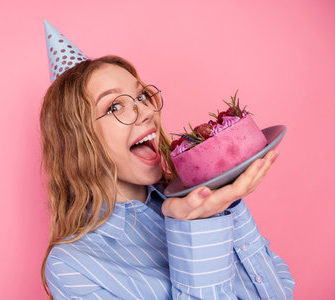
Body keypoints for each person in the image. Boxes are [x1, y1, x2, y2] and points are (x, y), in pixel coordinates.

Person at [40, 21, 294, 299]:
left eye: (141, 95)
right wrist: (198, 226)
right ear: (77, 140)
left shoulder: (200, 194)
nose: (147, 111)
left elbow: (279, 290)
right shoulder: (73, 267)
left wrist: (226, 202)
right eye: (114, 106)